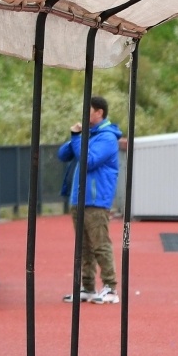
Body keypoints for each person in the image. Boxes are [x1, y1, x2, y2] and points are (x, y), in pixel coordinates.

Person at [58, 95, 123, 304]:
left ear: (99, 113)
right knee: (83, 247)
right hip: (79, 199)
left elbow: (89, 161)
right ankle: (87, 287)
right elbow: (62, 154)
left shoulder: (107, 137)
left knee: (100, 245)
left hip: (96, 200)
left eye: (88, 111)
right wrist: (75, 136)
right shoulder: (89, 135)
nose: (84, 115)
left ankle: (110, 287)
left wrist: (78, 138)